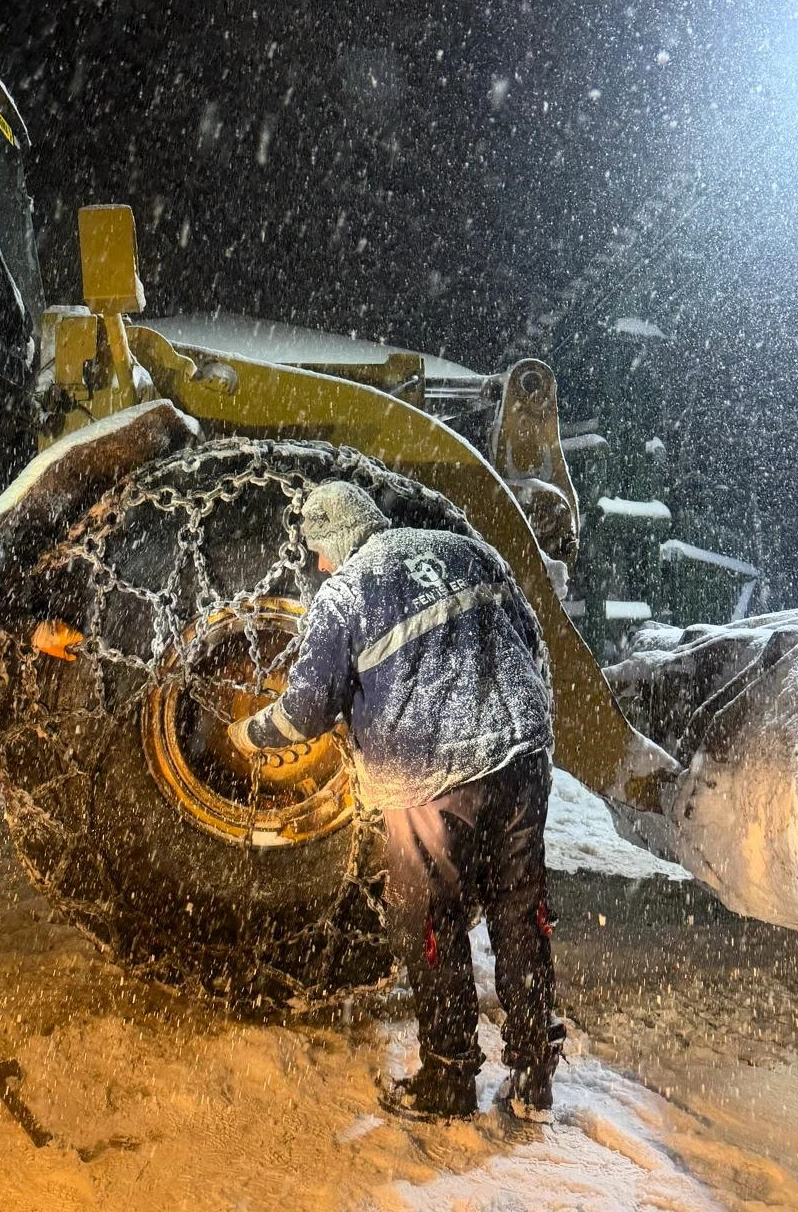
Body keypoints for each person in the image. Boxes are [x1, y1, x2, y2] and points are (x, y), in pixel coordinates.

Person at [228, 480, 563, 1122]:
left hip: (429, 775)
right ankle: (535, 1072)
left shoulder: (346, 591)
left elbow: (305, 714)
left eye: (320, 549)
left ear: (340, 537)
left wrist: (250, 733)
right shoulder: (470, 552)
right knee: (521, 909)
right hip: (521, 754)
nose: (321, 565)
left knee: (432, 922)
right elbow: (529, 640)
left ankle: (448, 1078)